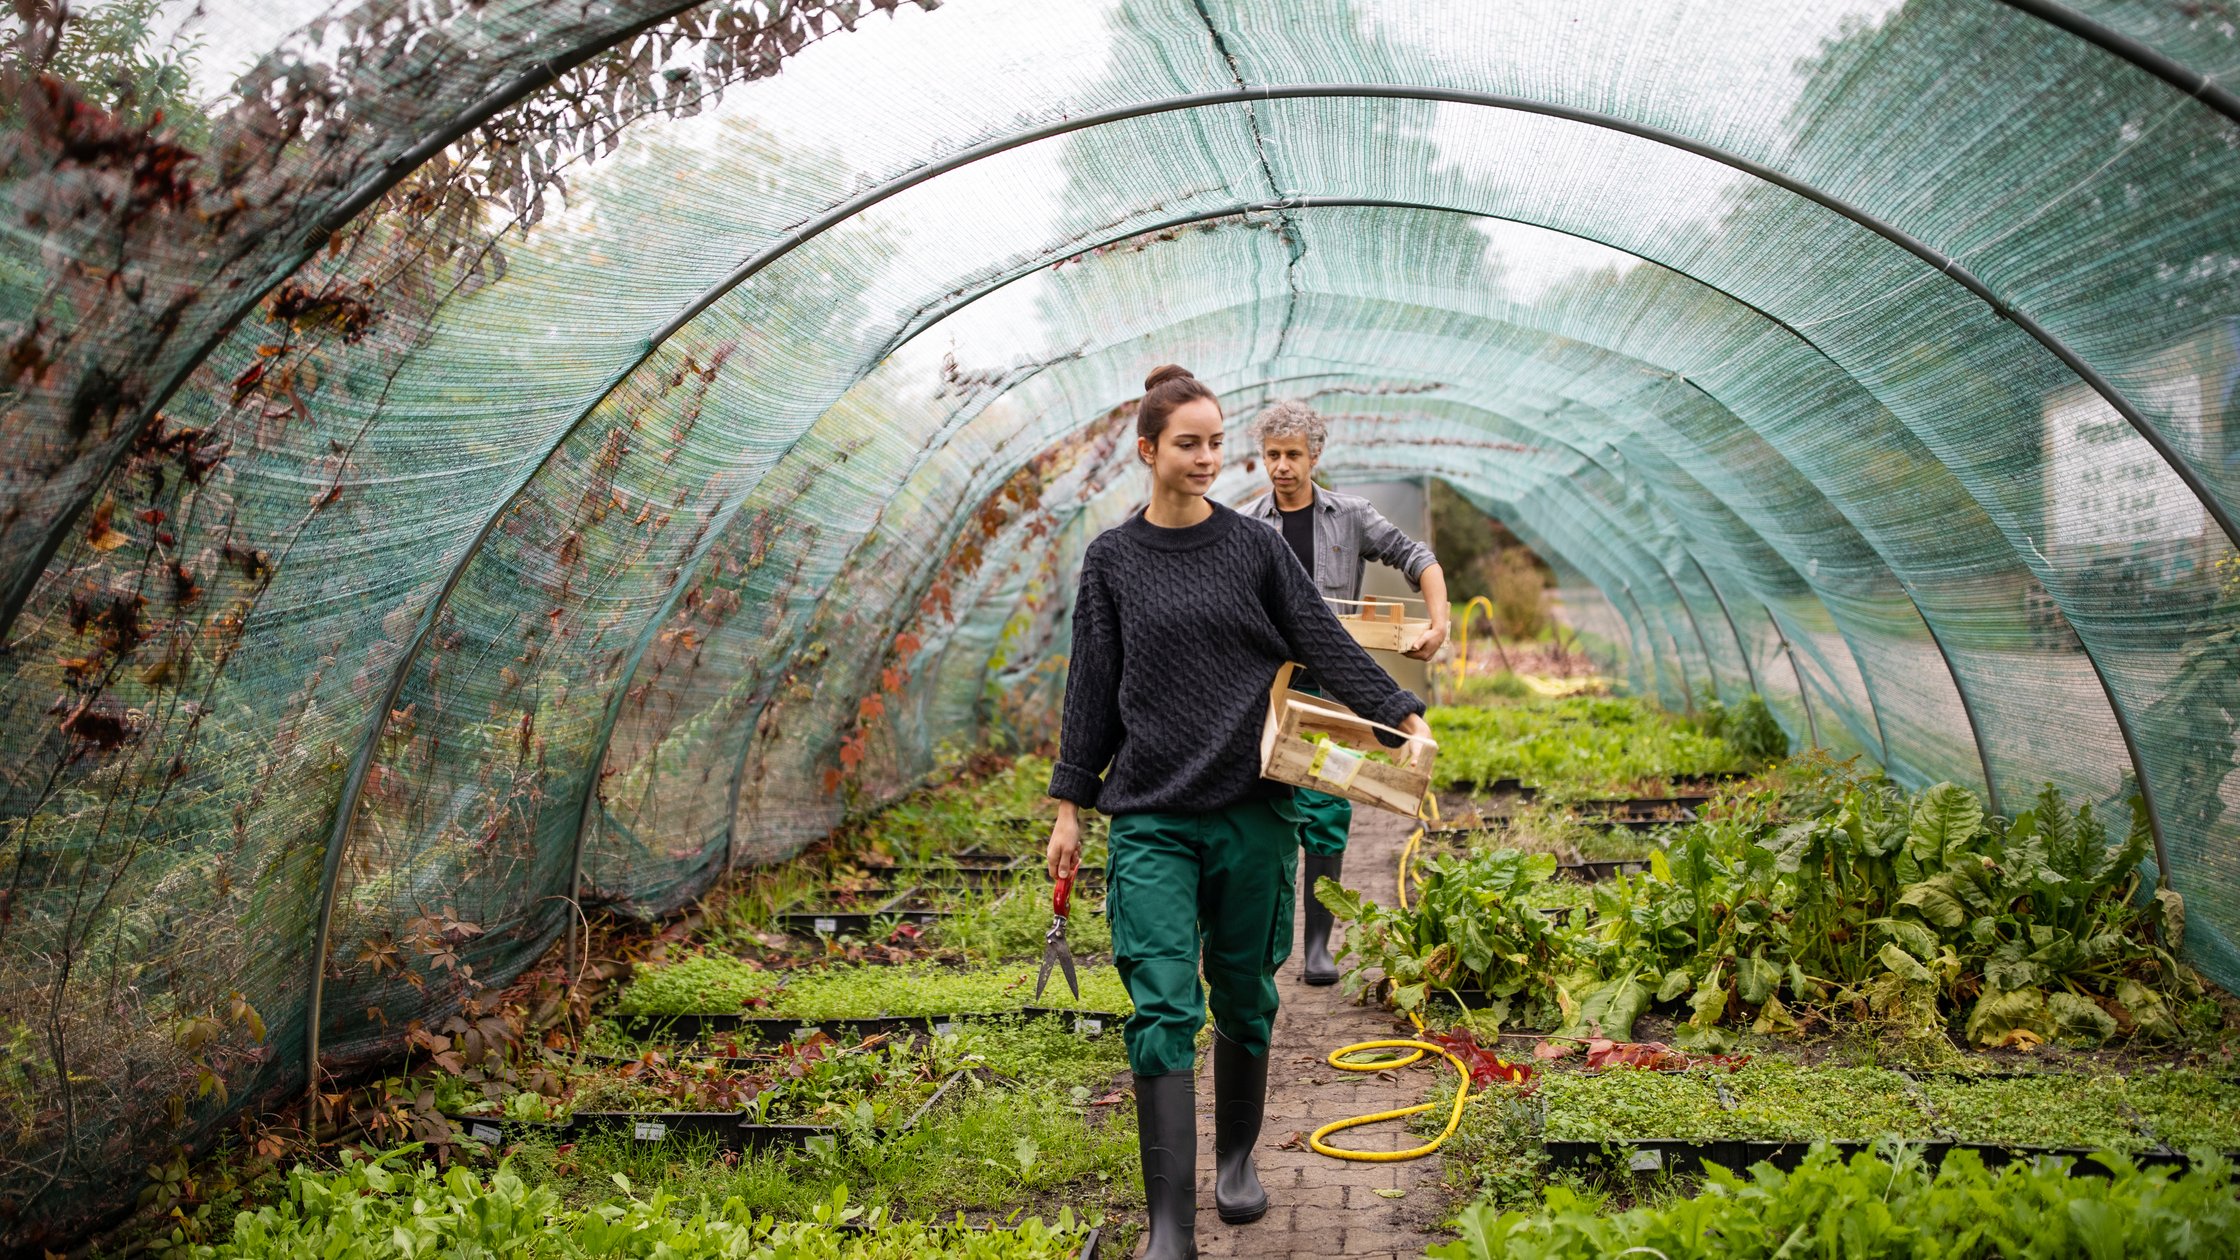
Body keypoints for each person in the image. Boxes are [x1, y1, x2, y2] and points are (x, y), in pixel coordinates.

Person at [1046, 366, 1430, 1260]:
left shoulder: (1255, 550)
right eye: (1190, 443)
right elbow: (1091, 689)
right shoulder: (1112, 560)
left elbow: (1322, 640)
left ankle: (1238, 1164)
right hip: (1149, 816)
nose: (1210, 458)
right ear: (1148, 452)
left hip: (1252, 812)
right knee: (1161, 1005)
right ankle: (1170, 1227)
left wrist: (1399, 717)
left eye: (1218, 442)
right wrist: (1070, 804)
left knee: (1247, 994)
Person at [1240, 399, 1450, 986]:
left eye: (1293, 456)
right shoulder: (1248, 524)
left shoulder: (1350, 516)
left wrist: (1440, 623)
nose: (1282, 467)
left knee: (1329, 803)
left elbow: (1417, 557)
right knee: (1268, 805)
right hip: (1272, 681)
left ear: (1315, 457)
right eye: (1272, 455)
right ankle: (1265, 940)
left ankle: (1317, 946)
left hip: (1333, 681)